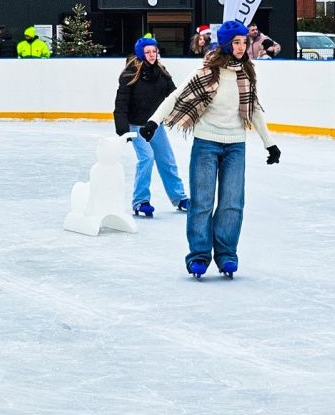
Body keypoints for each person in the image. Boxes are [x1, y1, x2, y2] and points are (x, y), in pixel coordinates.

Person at [141, 19, 280, 279]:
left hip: (235, 145)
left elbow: (254, 109)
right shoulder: (206, 71)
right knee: (202, 202)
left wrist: (269, 143)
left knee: (232, 203)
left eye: (244, 42)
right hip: (206, 143)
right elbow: (176, 96)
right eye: (236, 42)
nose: (241, 47)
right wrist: (153, 122)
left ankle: (226, 255)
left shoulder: (247, 72)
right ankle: (199, 255)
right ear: (226, 44)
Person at [114, 36, 188, 217]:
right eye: (147, 52)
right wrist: (122, 128)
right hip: (136, 126)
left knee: (167, 160)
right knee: (147, 158)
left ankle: (179, 198)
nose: (152, 55)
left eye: (154, 51)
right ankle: (140, 201)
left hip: (155, 126)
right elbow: (121, 103)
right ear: (141, 54)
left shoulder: (161, 73)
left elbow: (173, 96)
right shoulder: (130, 75)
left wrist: (187, 107)